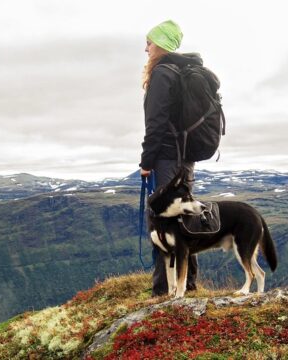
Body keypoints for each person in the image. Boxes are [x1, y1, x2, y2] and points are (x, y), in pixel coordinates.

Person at [139, 20, 200, 296]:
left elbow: (156, 124)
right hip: (184, 158)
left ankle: (163, 289)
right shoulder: (181, 72)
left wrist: (146, 162)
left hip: (166, 158)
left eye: (149, 42)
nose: (146, 48)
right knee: (183, 218)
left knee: (162, 222)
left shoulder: (163, 74)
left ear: (161, 44)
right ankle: (187, 283)